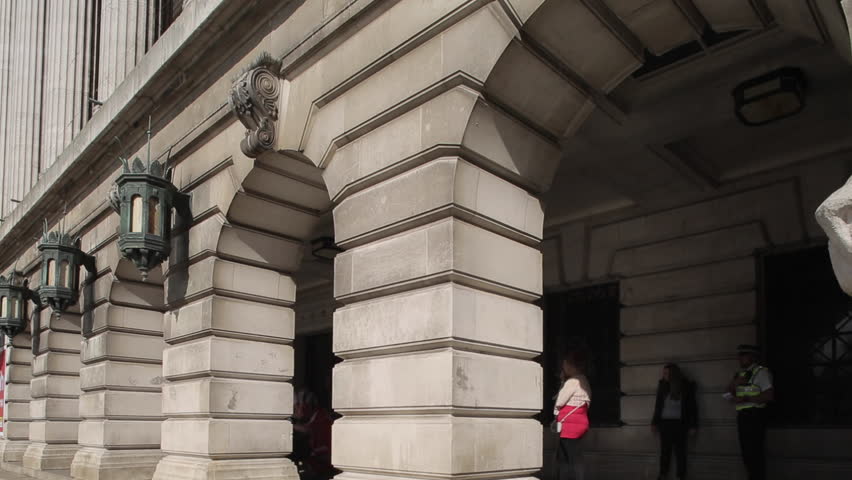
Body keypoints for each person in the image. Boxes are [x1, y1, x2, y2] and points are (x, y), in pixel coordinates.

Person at [727, 344, 774, 480]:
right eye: (739, 355)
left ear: (752, 357)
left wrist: (747, 398)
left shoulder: (762, 372)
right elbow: (727, 393)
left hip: (755, 416)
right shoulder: (739, 374)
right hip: (743, 417)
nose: (739, 358)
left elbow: (769, 396)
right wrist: (734, 385)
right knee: (746, 455)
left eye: (743, 355)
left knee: (755, 455)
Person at [651, 363, 698, 480]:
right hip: (665, 424)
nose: (664, 375)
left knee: (680, 452)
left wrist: (693, 425)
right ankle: (662, 475)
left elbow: (692, 407)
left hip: (679, 424)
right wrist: (654, 422)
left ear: (673, 374)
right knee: (665, 452)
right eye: (664, 373)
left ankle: (681, 476)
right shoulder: (663, 386)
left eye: (666, 373)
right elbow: (658, 405)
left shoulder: (685, 386)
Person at [553, 351, 592, 480]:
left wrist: (563, 382)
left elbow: (560, 400)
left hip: (570, 425)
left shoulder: (572, 381)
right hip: (580, 422)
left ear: (570, 366)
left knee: (568, 457)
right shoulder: (583, 380)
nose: (563, 368)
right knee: (571, 455)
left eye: (564, 365)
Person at [292, 389, 334, 480]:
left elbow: (325, 449)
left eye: (296, 407)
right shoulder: (312, 419)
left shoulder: (323, 421)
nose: (294, 411)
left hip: (322, 469)